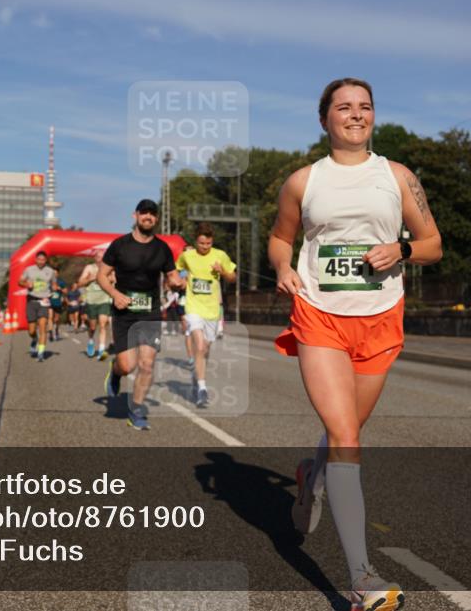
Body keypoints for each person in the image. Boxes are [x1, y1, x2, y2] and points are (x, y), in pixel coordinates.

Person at [270, 78, 441, 611]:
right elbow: (281, 237)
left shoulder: (398, 176)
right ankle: (362, 578)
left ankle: (311, 477)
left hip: (380, 318)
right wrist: (282, 267)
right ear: (325, 118)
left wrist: (402, 250)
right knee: (345, 435)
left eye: (365, 107)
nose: (356, 114)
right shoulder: (304, 181)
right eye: (344, 107)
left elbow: (433, 244)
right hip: (320, 316)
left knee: (346, 430)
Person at [98, 199, 185, 430]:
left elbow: (172, 276)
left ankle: (135, 410)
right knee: (127, 366)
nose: (148, 217)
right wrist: (115, 294)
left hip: (150, 313)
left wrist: (177, 283)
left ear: (156, 218)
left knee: (146, 364)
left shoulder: (162, 249)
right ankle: (115, 372)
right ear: (135, 215)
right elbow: (101, 275)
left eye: (152, 214)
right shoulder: (119, 245)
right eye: (144, 213)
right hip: (124, 312)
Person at [176, 223, 237, 408]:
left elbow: (233, 278)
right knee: (200, 345)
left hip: (212, 310)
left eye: (208, 243)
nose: (205, 247)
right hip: (193, 307)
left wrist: (222, 272)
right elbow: (176, 270)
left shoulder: (220, 255)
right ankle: (202, 389)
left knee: (205, 350)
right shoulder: (187, 256)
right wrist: (179, 280)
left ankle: (197, 376)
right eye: (202, 243)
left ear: (212, 241)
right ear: (196, 241)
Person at [19, 251, 58, 362]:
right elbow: (20, 281)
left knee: (42, 327)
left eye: (43, 260)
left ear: (46, 260)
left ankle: (41, 353)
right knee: (31, 330)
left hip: (44, 301)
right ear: (35, 260)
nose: (41, 261)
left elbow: (54, 284)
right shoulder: (29, 270)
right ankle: (34, 339)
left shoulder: (50, 271)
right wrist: (26, 284)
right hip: (32, 301)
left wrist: (55, 287)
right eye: (39, 259)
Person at [78, 251, 113, 360]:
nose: (101, 259)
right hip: (92, 300)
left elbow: (115, 280)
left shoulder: (110, 268)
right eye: (98, 257)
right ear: (95, 258)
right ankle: (91, 340)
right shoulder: (89, 268)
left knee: (103, 324)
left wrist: (108, 279)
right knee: (92, 327)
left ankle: (101, 350)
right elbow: (80, 283)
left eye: (103, 257)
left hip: (105, 300)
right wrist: (91, 278)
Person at [47, 270, 66, 341]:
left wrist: (59, 288)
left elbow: (66, 291)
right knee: (50, 317)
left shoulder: (61, 282)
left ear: (58, 274)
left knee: (56, 319)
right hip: (50, 303)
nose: (54, 274)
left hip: (58, 303)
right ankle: (50, 333)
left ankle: (56, 331)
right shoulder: (48, 281)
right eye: (53, 273)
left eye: (56, 273)